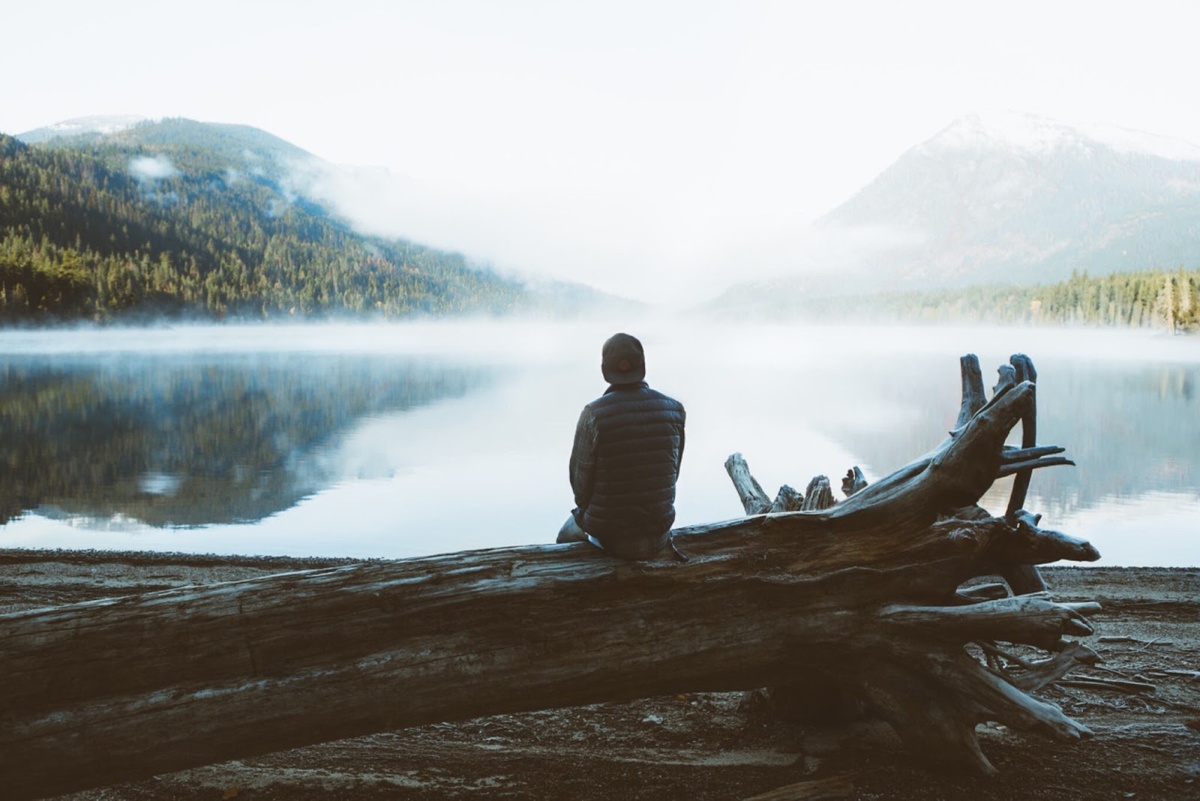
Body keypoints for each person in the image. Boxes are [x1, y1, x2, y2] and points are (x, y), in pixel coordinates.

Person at [556, 332, 686, 560]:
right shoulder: (674, 410)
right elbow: (672, 474)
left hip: (609, 538)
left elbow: (580, 487)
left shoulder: (593, 415)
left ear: (605, 370)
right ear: (643, 365)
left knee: (563, 538)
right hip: (658, 533)